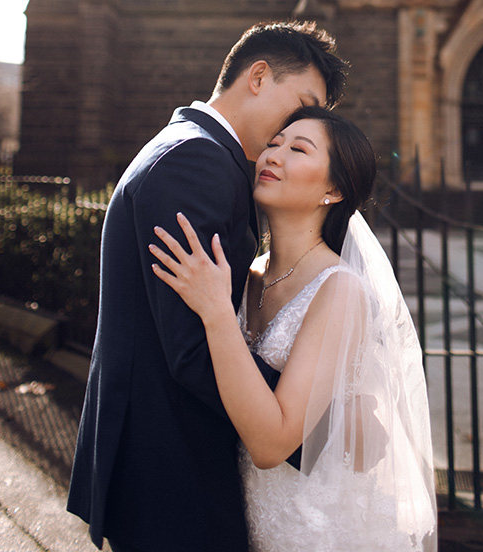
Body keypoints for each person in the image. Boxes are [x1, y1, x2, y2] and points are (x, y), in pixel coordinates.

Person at [66, 21, 347, 552]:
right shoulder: (197, 163)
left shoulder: (190, 148)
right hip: (172, 470)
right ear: (259, 76)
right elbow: (193, 349)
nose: (305, 122)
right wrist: (319, 428)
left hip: (157, 464)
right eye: (303, 103)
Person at [150, 106, 437, 551]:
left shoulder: (340, 289)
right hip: (248, 517)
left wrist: (216, 313)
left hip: (317, 526)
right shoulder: (249, 274)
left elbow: (272, 445)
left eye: (298, 148)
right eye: (274, 143)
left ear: (334, 188)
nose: (273, 156)